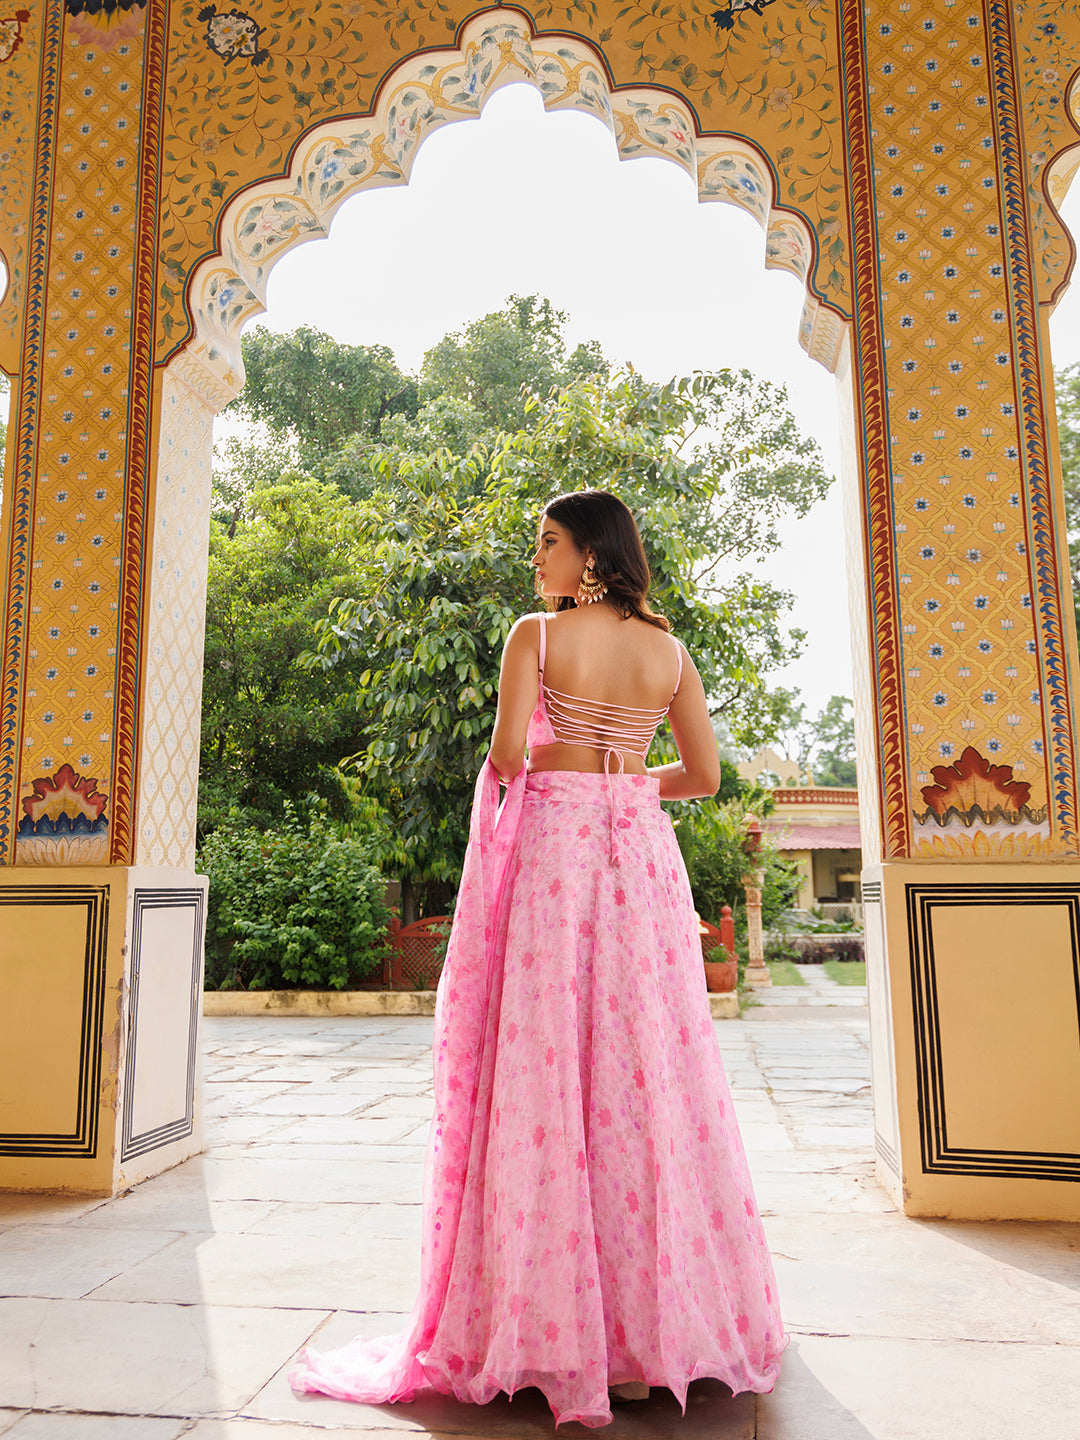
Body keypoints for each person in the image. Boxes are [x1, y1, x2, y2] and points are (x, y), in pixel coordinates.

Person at [290, 489, 785, 1427]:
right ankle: (645, 1351)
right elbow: (708, 777)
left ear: (591, 555)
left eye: (548, 542)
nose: (537, 559)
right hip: (638, 856)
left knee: (546, 1072)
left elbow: (511, 755)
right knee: (645, 1079)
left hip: (559, 851)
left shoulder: (537, 637)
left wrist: (569, 774)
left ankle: (555, 1341)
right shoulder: (670, 652)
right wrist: (631, 784)